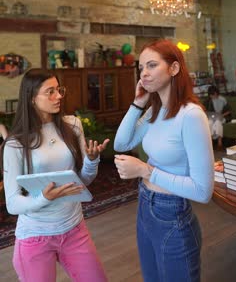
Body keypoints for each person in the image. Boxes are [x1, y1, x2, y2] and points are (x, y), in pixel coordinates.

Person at [114, 39, 214, 282]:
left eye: (151, 65)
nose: (144, 73)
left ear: (174, 69)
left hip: (172, 214)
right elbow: (121, 144)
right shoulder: (154, 110)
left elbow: (203, 192)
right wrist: (138, 103)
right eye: (140, 68)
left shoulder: (191, 115)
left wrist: (146, 171)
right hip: (145, 206)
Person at [0, 69, 109, 282]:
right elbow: (12, 204)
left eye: (59, 90)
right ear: (32, 98)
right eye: (50, 92)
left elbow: (81, 183)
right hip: (35, 236)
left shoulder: (73, 125)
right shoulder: (15, 144)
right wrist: (44, 198)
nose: (58, 96)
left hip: (74, 229)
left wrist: (92, 160)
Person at [205, 85, 231, 150]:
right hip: (211, 117)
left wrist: (222, 115)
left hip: (222, 117)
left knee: (218, 122)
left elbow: (229, 111)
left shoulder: (223, 99)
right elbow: (205, 111)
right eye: (212, 95)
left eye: (215, 95)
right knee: (209, 122)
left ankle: (220, 143)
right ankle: (210, 142)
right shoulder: (208, 101)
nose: (214, 96)